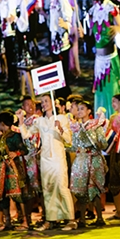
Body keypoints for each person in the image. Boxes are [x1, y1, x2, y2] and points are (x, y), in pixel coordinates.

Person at [18, 93, 76, 231]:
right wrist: (20, 121)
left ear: (52, 102)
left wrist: (60, 129)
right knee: (48, 189)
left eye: (46, 101)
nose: (43, 104)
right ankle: (50, 220)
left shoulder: (61, 118)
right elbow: (26, 135)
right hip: (45, 159)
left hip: (58, 158)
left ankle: (71, 220)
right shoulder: (39, 121)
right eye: (42, 102)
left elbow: (68, 140)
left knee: (62, 187)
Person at [89, 0, 120, 114]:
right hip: (98, 62)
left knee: (113, 97)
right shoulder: (91, 11)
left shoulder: (113, 9)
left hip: (110, 62)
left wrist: (118, 28)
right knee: (99, 97)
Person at [0, 111, 33, 231]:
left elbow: (25, 150)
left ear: (2, 123)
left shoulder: (14, 135)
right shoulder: (1, 136)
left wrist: (17, 153)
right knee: (3, 195)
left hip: (13, 169)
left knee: (18, 194)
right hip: (2, 169)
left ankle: (25, 221)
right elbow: (0, 152)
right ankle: (7, 221)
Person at [69, 100, 108, 227]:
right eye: (78, 109)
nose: (79, 111)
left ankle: (100, 218)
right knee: (81, 190)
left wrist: (98, 143)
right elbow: (74, 146)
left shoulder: (96, 125)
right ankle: (82, 219)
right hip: (81, 159)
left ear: (89, 111)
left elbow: (104, 143)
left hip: (93, 158)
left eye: (82, 109)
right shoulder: (76, 128)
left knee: (94, 188)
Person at [47, 0, 73, 97]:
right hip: (54, 41)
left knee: (63, 76)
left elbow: (69, 18)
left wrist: (64, 25)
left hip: (61, 42)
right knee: (57, 76)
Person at [0, 0, 19, 92]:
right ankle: (10, 80)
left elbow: (12, 12)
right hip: (5, 30)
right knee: (7, 57)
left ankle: (15, 83)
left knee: (12, 60)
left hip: (10, 31)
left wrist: (7, 20)